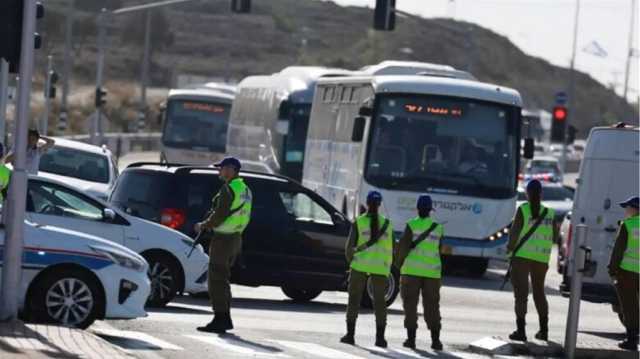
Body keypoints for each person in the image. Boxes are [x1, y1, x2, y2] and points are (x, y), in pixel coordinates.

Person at [195, 157, 252, 334]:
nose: (219, 171)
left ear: (231, 170)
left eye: (221, 168)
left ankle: (220, 318)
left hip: (224, 239)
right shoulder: (245, 189)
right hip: (236, 238)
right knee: (223, 279)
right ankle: (224, 317)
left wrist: (203, 225)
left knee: (217, 280)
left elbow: (219, 215)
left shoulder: (229, 188)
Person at [341, 191, 393, 348]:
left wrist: (352, 263)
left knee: (354, 300)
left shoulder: (359, 222)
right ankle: (380, 339)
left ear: (367, 203)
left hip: (360, 266)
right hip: (380, 268)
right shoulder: (387, 224)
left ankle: (350, 335)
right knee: (379, 303)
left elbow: (349, 248)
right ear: (379, 204)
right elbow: (392, 248)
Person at [506, 179, 557, 342]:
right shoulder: (550, 213)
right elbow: (555, 237)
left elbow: (514, 235)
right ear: (541, 194)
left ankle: (521, 331)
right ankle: (544, 330)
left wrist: (509, 250)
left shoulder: (523, 210)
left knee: (521, 295)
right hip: (541, 259)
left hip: (522, 257)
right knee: (539, 293)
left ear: (527, 193)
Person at [395, 194, 444, 350]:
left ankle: (411, 340)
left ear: (417, 209)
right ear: (430, 210)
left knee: (410, 306)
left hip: (411, 272)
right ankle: (436, 341)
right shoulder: (438, 228)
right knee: (432, 307)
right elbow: (440, 249)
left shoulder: (411, 225)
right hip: (432, 274)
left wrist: (398, 265)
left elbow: (402, 248)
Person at [608, 196, 639, 351]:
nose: (626, 211)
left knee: (630, 307)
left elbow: (618, 250)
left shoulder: (628, 225)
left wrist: (611, 270)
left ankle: (632, 340)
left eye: (627, 207)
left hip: (627, 273)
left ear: (634, 209)